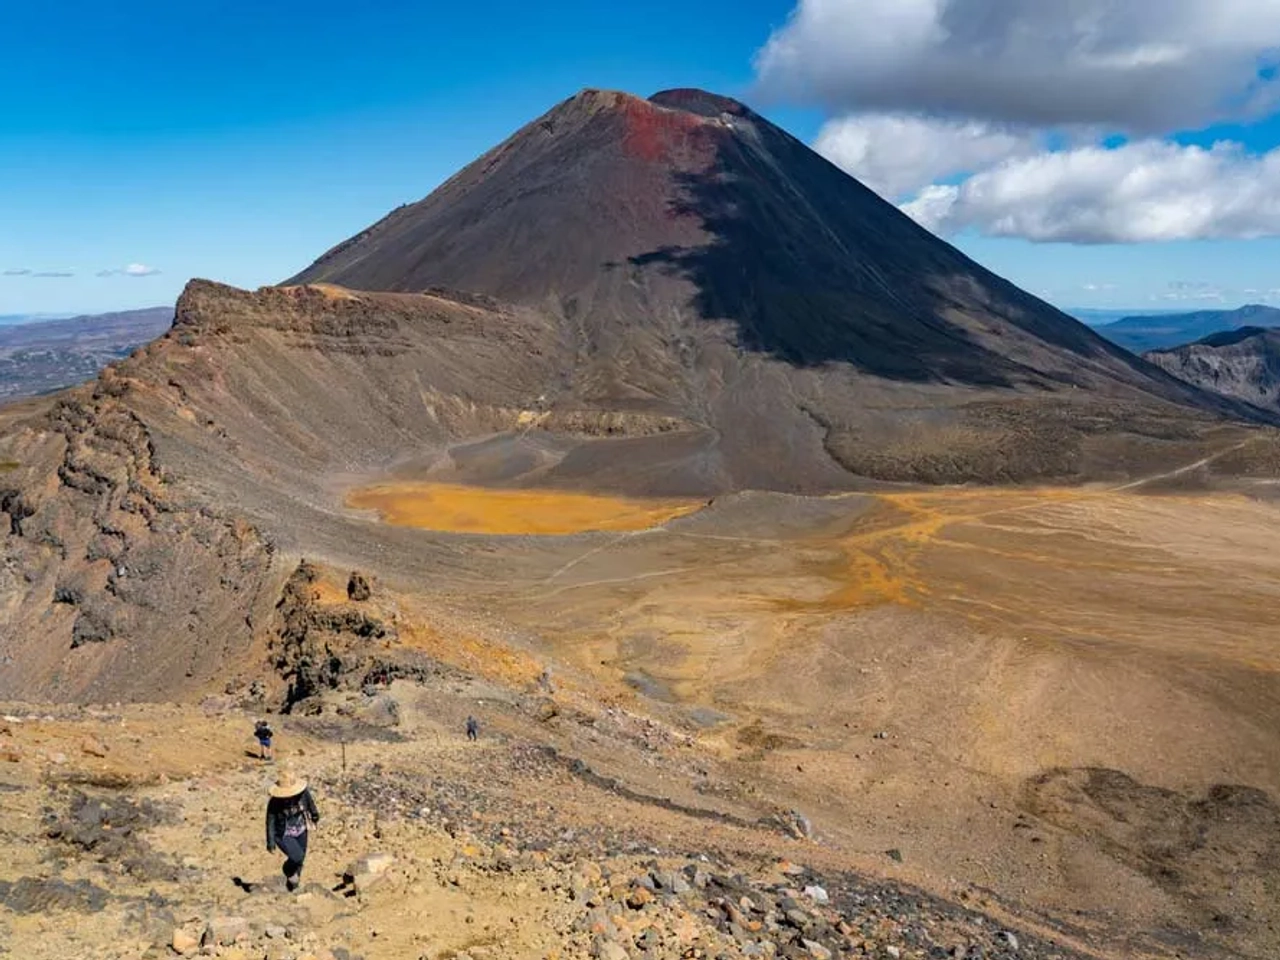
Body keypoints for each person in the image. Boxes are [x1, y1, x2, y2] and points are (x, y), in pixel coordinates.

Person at [265, 766, 320, 891]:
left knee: (301, 859)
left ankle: (294, 885)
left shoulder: (303, 793)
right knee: (297, 856)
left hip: (301, 829)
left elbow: (310, 803)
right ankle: (287, 869)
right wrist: (270, 842)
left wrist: (315, 815)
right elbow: (270, 821)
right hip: (284, 833)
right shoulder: (275, 802)